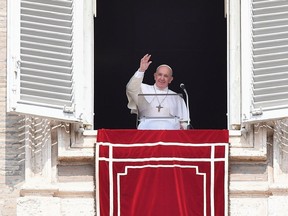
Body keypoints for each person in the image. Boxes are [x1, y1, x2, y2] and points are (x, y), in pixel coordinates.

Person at [126, 54, 189, 130]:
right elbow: (130, 88)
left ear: (170, 79)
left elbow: (184, 123)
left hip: (170, 136)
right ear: (155, 76)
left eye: (166, 76)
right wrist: (141, 70)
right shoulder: (143, 89)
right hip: (146, 133)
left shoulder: (177, 98)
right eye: (160, 75)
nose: (162, 78)